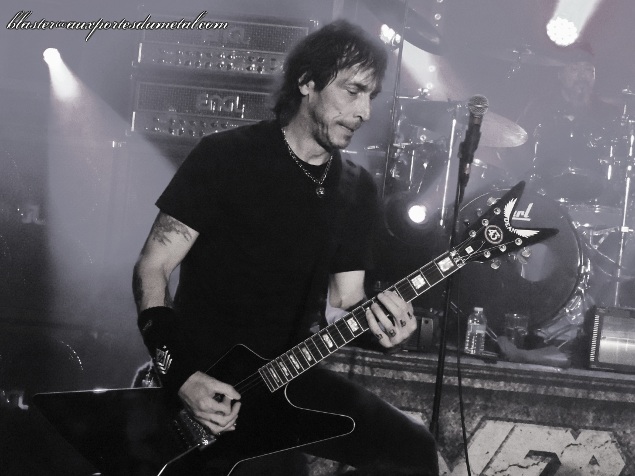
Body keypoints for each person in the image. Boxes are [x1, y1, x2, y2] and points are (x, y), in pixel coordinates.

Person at [132, 19, 439, 476]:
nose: (364, 112)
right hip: (204, 375)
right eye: (353, 91)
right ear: (307, 83)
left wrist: (385, 331)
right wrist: (182, 376)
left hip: (287, 375)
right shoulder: (225, 156)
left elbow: (345, 303)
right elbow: (152, 267)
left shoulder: (356, 188)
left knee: (411, 449)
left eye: (371, 96)